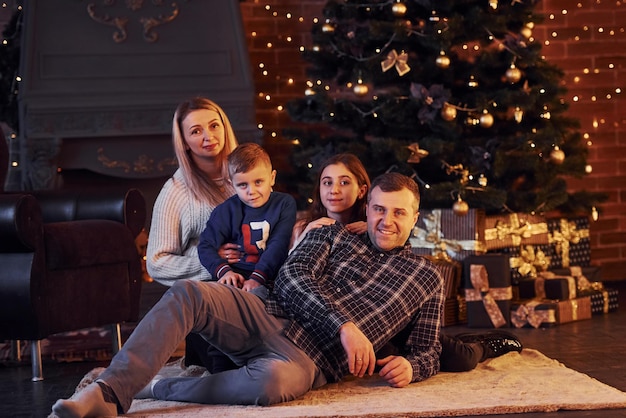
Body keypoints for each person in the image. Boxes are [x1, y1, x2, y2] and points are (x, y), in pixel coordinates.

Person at [51, 172, 446, 417]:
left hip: (310, 360)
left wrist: (414, 367)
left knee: (273, 384)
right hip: (267, 313)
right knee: (191, 292)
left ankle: (151, 388)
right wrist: (343, 325)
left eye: (398, 213)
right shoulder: (332, 233)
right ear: (368, 206)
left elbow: (429, 349)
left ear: (415, 216)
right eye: (379, 209)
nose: (386, 221)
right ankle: (108, 392)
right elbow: (291, 279)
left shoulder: (427, 278)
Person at [289, 153, 522, 372]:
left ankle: (483, 344)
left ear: (362, 192)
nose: (334, 191)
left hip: (387, 309)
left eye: (344, 183)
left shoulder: (373, 224)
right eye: (327, 182)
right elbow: (294, 274)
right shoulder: (311, 229)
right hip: (337, 316)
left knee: (459, 357)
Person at [143, 97, 244, 369]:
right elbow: (156, 262)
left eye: (214, 126)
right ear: (185, 142)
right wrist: (210, 260)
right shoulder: (176, 191)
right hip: (209, 300)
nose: (208, 136)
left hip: (253, 286)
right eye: (196, 131)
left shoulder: (246, 176)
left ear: (225, 128)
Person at [197, 142, 297, 299]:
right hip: (233, 276)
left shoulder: (284, 204)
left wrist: (257, 278)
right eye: (243, 185)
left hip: (268, 279)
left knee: (254, 298)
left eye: (258, 182)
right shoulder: (226, 210)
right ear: (232, 185)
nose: (251, 191)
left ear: (272, 178)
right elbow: (205, 246)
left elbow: (278, 244)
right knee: (196, 295)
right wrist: (223, 271)